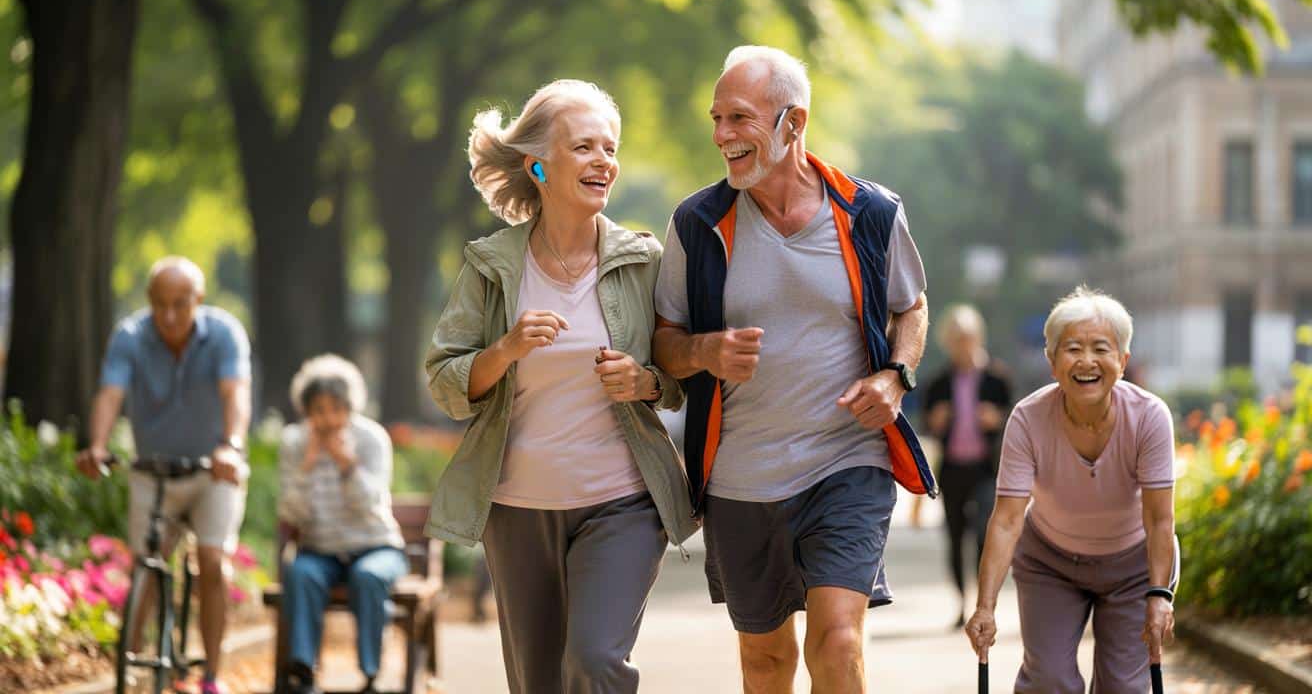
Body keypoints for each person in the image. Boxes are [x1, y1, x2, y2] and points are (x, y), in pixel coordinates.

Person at [652, 45, 936, 693]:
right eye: (717, 119)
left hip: (846, 462)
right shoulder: (697, 224)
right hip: (742, 479)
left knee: (837, 643)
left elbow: (912, 308)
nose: (723, 136)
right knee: (766, 661)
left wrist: (894, 376)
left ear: (793, 122)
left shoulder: (871, 213)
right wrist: (704, 353)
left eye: (740, 118)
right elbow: (664, 341)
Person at [423, 78, 698, 694]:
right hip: (518, 508)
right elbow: (445, 380)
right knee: (539, 682)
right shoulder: (490, 265)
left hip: (623, 501)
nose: (604, 160)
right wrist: (507, 349)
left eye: (610, 147)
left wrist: (646, 382)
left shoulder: (643, 260)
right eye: (584, 147)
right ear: (538, 165)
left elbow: (680, 380)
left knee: (594, 662)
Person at [965, 286, 1176, 692]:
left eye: (1101, 348)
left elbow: (1159, 517)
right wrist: (985, 607)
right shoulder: (1028, 419)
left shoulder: (1149, 417)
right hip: (1050, 563)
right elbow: (1008, 519)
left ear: (1123, 360)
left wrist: (1158, 595)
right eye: (1073, 348)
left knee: (1124, 688)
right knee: (1049, 681)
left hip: (1131, 567)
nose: (1086, 361)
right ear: (1051, 362)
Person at [76, 256, 251, 694]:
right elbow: (110, 393)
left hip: (214, 471)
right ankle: (130, 671)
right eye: (159, 304)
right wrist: (97, 445)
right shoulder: (130, 336)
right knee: (148, 567)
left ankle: (211, 674)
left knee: (212, 561)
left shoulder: (225, 333)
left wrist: (230, 446)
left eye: (180, 304)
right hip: (153, 471)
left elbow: (236, 393)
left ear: (199, 300)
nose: (169, 316)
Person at [277, 354, 407, 694]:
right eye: (318, 410)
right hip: (320, 550)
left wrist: (347, 466)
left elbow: (371, 503)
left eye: (336, 409)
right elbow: (291, 515)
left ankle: (370, 673)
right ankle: (303, 670)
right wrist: (306, 469)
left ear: (350, 407)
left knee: (368, 577)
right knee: (300, 572)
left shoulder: (371, 438)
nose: (328, 419)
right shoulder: (294, 442)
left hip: (376, 547)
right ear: (306, 411)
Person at [923, 304, 1012, 628]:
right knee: (955, 536)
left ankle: (982, 602)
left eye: (968, 337)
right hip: (953, 469)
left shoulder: (997, 378)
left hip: (985, 469)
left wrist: (997, 419)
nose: (963, 344)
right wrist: (935, 421)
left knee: (982, 535)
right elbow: (927, 424)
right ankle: (961, 601)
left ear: (978, 338)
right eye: (956, 339)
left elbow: (1014, 421)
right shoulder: (939, 382)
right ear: (947, 342)